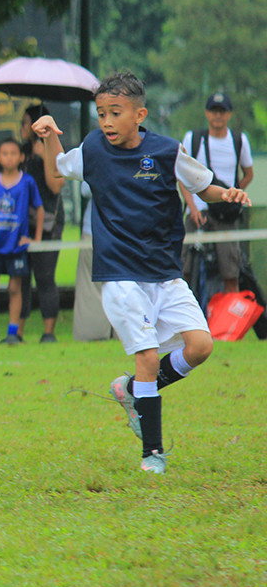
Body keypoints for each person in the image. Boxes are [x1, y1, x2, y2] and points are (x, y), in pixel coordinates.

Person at [34, 71, 251, 474]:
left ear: (140, 114)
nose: (106, 122)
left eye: (115, 113)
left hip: (164, 274)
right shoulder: (94, 148)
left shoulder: (168, 151)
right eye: (101, 114)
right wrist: (49, 137)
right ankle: (153, 453)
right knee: (148, 357)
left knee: (201, 346)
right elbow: (56, 173)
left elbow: (205, 187)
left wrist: (228, 193)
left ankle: (132, 391)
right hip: (119, 274)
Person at [180, 92, 255, 296]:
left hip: (225, 215)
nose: (218, 116)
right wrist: (192, 208)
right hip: (198, 213)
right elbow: (183, 177)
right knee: (184, 272)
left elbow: (248, 174)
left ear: (229, 114)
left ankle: (229, 326)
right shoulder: (193, 139)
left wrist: (233, 196)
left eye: (222, 111)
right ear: (207, 113)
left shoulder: (239, 140)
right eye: (214, 111)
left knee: (231, 273)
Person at [0, 138, 43, 345]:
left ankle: (12, 333)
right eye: (5, 153)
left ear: (21, 157)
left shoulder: (27, 182)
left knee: (15, 289)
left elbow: (39, 208)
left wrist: (36, 237)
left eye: (13, 153)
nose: (9, 157)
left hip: (16, 244)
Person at [18, 104, 65, 343]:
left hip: (49, 222)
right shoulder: (21, 152)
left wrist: (44, 153)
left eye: (26, 122)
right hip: (22, 224)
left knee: (45, 277)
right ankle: (17, 331)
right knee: (21, 276)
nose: (22, 128)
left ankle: (49, 332)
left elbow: (56, 186)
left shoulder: (50, 147)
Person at [72, 182, 114, 341]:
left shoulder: (96, 158)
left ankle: (93, 334)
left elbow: (86, 188)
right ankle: (93, 334)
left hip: (105, 231)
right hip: (100, 230)